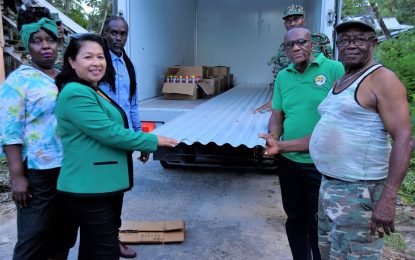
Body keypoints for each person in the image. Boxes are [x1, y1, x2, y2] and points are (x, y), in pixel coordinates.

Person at [54, 33, 178, 259]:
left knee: (94, 248)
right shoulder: (75, 92)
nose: (97, 63)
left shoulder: (94, 89)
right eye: (88, 57)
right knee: (104, 251)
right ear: (72, 62)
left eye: (101, 57)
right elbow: (109, 133)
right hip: (89, 187)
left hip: (102, 184)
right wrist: (152, 141)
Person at [308, 17, 413, 259]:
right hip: (330, 185)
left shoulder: (383, 79)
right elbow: (329, 130)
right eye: (344, 40)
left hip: (359, 191)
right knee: (329, 253)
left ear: (373, 43)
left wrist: (388, 197)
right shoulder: (341, 81)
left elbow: (404, 139)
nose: (351, 45)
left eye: (360, 39)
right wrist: (282, 145)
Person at [259, 27, 344, 259]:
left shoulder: (334, 69)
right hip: (289, 163)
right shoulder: (284, 76)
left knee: (319, 222)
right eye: (290, 45)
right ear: (285, 50)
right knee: (295, 219)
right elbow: (277, 114)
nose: (296, 48)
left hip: (321, 164)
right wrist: (273, 137)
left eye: (301, 42)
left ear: (311, 44)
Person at [0, 6, 68, 260]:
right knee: (33, 236)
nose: (46, 46)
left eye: (50, 39)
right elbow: (10, 132)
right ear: (27, 45)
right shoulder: (19, 81)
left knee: (63, 233)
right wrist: (17, 176)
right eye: (37, 41)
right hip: (38, 171)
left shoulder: (64, 78)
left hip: (68, 168)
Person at [100, 15, 146, 257]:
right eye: (113, 33)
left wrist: (140, 140)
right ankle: (104, 242)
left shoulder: (128, 65)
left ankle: (113, 239)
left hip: (124, 141)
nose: (118, 38)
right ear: (105, 33)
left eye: (123, 34)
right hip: (103, 141)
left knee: (118, 192)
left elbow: (133, 106)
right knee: (102, 194)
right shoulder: (98, 64)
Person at [253, 4, 333, 114]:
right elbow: (278, 77)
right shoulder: (283, 48)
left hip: (319, 92)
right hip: (292, 97)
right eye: (288, 20)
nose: (292, 23)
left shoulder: (320, 39)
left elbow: (331, 67)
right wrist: (273, 100)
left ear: (304, 21)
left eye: (296, 19)